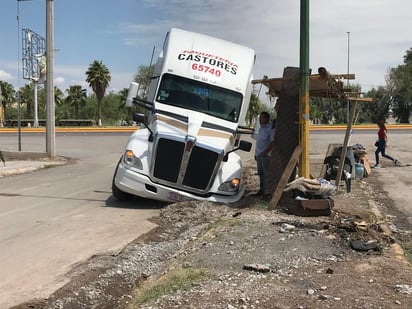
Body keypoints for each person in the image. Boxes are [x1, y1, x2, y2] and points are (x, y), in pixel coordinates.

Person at [253, 112, 275, 197]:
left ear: (266, 118)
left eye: (261, 118)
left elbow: (273, 142)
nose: (260, 120)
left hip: (266, 155)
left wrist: (266, 152)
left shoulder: (270, 129)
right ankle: (261, 190)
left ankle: (267, 192)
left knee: (266, 174)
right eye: (260, 118)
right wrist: (256, 153)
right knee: (260, 173)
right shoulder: (261, 129)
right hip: (259, 155)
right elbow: (259, 142)